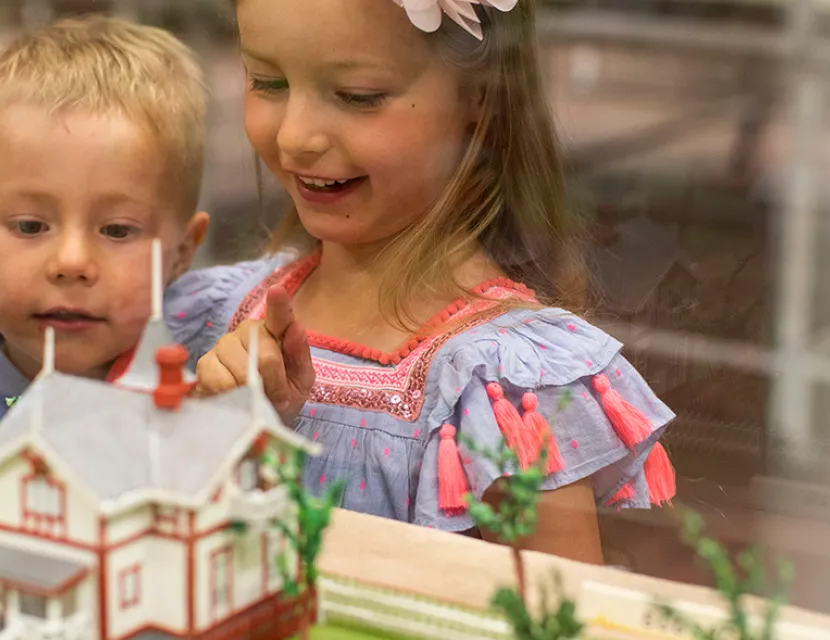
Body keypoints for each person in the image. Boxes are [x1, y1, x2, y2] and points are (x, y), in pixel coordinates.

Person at [173, 0, 676, 564]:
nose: (295, 137)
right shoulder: (208, 313)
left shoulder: (500, 387)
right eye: (267, 82)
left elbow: (549, 617)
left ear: (481, 95)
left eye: (358, 95)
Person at [0, 16, 210, 431]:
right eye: (30, 226)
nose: (71, 262)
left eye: (117, 229)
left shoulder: (207, 414)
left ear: (182, 251)